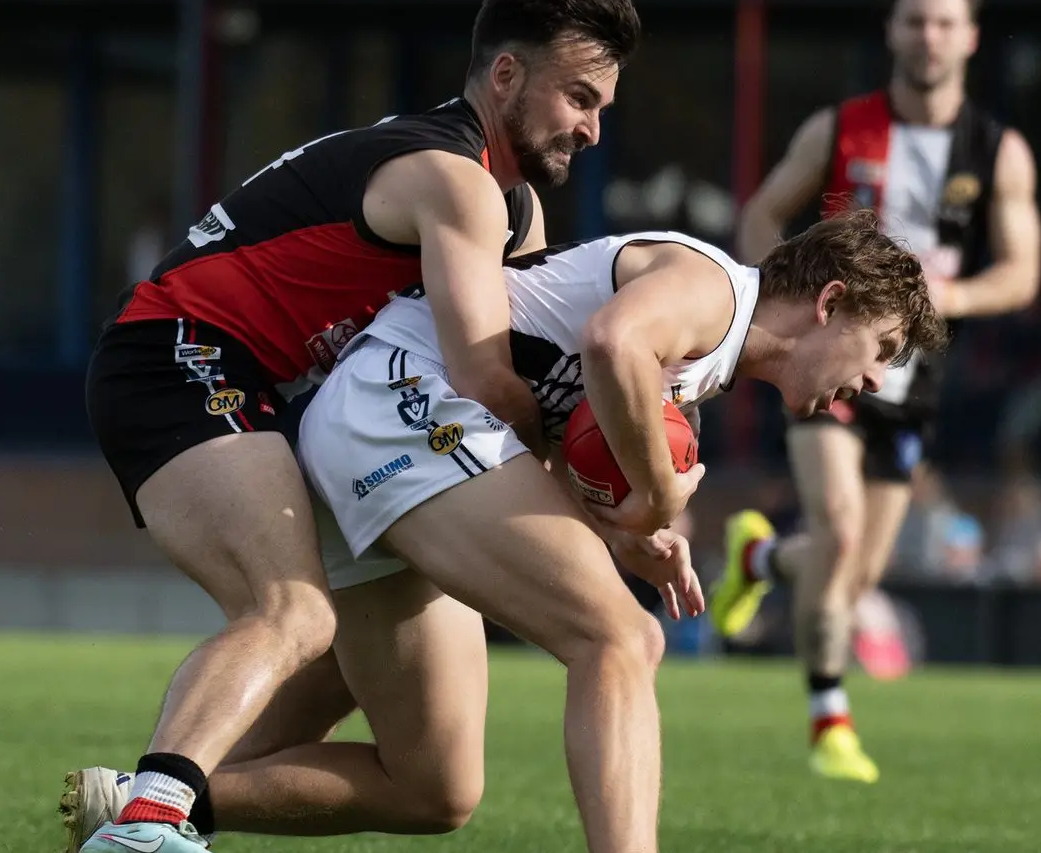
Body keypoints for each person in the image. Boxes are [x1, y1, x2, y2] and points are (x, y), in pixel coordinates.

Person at [63, 213, 947, 853]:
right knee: (620, 637)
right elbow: (611, 342)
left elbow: (557, 423)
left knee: (435, 786)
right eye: (878, 352)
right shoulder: (716, 288)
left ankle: (154, 803)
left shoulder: (699, 369)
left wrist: (621, 529)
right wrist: (657, 494)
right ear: (830, 301)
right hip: (404, 409)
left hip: (405, 430)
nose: (868, 387)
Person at [68, 0, 640, 853]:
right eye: (579, 97)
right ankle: (145, 826)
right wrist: (611, 493)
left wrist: (605, 491)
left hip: (324, 418)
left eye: (603, 105)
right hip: (178, 355)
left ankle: (150, 799)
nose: (594, 129)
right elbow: (491, 382)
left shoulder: (513, 205)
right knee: (289, 612)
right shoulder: (452, 180)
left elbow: (528, 386)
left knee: (436, 785)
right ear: (505, 74)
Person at [708, 0, 1041, 783]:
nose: (928, 36)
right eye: (914, 21)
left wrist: (945, 293)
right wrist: (776, 313)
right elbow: (759, 213)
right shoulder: (840, 128)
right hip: (826, 360)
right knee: (843, 532)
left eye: (944, 23)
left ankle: (759, 563)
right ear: (891, 33)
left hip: (914, 379)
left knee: (850, 568)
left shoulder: (997, 151)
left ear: (969, 39)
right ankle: (831, 720)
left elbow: (1022, 273)